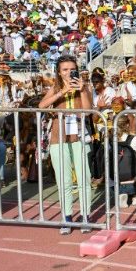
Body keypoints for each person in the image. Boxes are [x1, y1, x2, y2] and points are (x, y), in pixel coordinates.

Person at [38, 55, 93, 235]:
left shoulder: (84, 87)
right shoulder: (55, 88)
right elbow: (42, 106)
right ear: (59, 73)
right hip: (58, 139)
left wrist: (82, 89)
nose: (69, 73)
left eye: (72, 69)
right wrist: (62, 92)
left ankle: (85, 216)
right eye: (65, 70)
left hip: (78, 137)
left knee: (84, 178)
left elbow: (88, 110)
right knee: (64, 181)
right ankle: (67, 217)